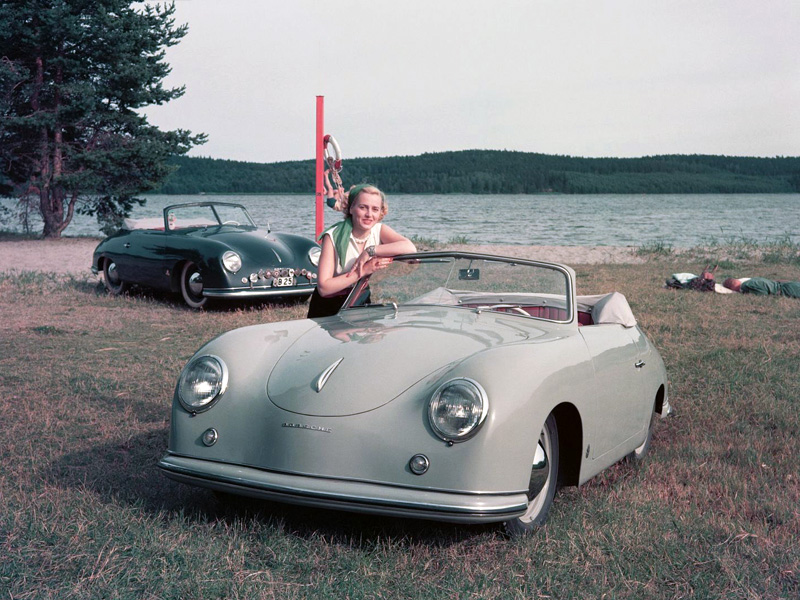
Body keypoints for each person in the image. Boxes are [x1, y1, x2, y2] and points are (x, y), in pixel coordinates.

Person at [307, 182, 416, 318]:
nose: (369, 214)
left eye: (375, 209)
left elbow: (410, 248)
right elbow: (324, 288)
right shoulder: (333, 236)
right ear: (351, 208)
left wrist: (371, 251)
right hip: (329, 307)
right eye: (363, 207)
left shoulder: (378, 230)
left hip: (360, 299)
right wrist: (364, 270)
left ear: (381, 212)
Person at [722, 277, 800, 298]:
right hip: (789, 284)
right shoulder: (752, 279)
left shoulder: (746, 287)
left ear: (732, 288)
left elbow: (763, 294)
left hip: (787, 290)